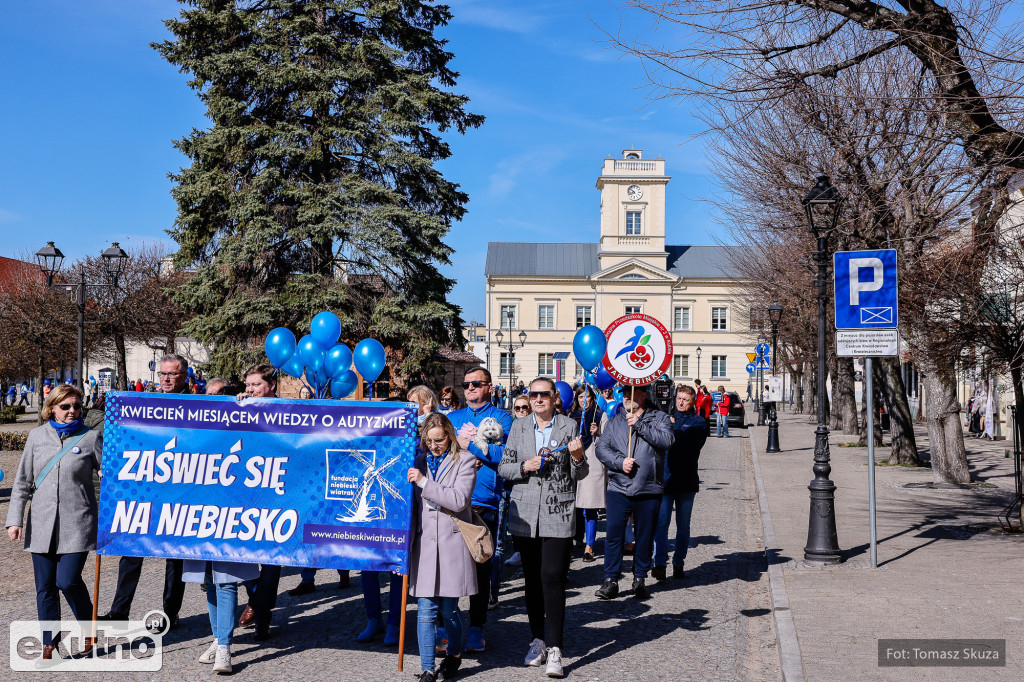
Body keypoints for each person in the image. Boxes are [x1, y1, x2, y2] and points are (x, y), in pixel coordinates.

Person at [498, 378, 587, 678]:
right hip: (524, 513)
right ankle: (537, 640)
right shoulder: (519, 427)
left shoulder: (568, 426)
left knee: (552, 578)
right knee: (532, 581)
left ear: (554, 398)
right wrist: (526, 466)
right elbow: (504, 468)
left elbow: (580, 472)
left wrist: (577, 457)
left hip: (557, 511)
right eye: (533, 394)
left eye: (543, 395)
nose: (537, 399)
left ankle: (556, 649)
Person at [6, 385, 100, 659]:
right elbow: (22, 482)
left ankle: (88, 625)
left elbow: (111, 478)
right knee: (45, 586)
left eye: (77, 406)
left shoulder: (91, 438)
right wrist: (15, 519)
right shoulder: (36, 437)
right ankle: (50, 642)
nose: (72, 411)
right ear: (51, 409)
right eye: (66, 407)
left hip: (78, 522)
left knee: (67, 581)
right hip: (42, 523)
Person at [181, 379, 261, 674]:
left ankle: (225, 648)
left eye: (218, 396)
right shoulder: (200, 425)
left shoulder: (246, 421)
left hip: (234, 515)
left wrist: (246, 407)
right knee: (209, 582)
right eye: (208, 395)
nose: (211, 400)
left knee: (226, 580)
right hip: (201, 515)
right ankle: (218, 638)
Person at [103, 354, 190, 628]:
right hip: (145, 489)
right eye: (162, 373)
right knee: (131, 550)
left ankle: (170, 612)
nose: (165, 379)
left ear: (184, 377)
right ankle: (119, 611)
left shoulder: (197, 405)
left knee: (175, 559)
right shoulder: (144, 404)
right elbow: (124, 437)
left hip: (180, 492)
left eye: (172, 374)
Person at [445, 367, 513, 653]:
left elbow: (504, 456)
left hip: (483, 502)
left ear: (489, 387)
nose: (470, 388)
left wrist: (471, 445)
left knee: (479, 570)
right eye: (466, 384)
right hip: (450, 502)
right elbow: (438, 451)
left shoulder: (501, 417)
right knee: (446, 570)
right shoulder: (452, 418)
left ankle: (476, 628)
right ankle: (444, 628)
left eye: (476, 383)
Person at [408, 413, 478, 682]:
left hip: (452, 543)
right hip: (425, 545)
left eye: (439, 440)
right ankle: (427, 668)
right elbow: (412, 508)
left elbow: (459, 500)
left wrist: (425, 483)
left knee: (449, 610)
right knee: (425, 609)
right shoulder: (418, 462)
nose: (434, 446)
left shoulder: (466, 461)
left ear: (449, 436)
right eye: (429, 440)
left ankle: (455, 654)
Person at [594, 383, 673, 601]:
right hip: (619, 487)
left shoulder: (659, 418)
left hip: (648, 488)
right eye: (623, 394)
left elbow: (667, 441)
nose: (625, 398)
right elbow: (602, 448)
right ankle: (610, 580)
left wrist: (639, 425)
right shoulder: (616, 420)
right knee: (614, 535)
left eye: (631, 393)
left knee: (644, 537)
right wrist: (619, 462)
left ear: (643, 395)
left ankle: (639, 579)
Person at [285, 384, 352, 598]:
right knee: (309, 536)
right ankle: (307, 579)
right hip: (310, 489)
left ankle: (344, 573)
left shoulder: (339, 429)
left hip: (332, 487)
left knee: (335, 533)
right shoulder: (303, 427)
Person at [235, 364, 284, 640]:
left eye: (256, 385)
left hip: (277, 495)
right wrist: (239, 407)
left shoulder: (287, 410)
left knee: (272, 561)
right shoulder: (245, 409)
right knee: (245, 557)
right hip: (247, 494)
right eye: (249, 385)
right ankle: (258, 602)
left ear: (271, 386)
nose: (251, 390)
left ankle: (261, 613)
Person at [653, 385, 708, 581]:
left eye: (685, 399)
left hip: (686, 481)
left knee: (683, 525)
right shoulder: (664, 418)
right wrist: (668, 424)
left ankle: (678, 563)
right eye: (679, 398)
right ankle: (659, 563)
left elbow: (690, 447)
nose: (681, 402)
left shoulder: (699, 422)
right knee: (661, 524)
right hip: (666, 480)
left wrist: (672, 428)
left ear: (693, 401)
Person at [571, 386, 606, 562]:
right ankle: (573, 538)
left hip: (592, 462)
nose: (584, 400)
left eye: (587, 396)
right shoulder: (571, 418)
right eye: (580, 397)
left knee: (590, 506)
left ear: (593, 398)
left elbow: (608, 442)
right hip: (572, 463)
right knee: (572, 505)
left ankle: (589, 546)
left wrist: (597, 433)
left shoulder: (600, 416)